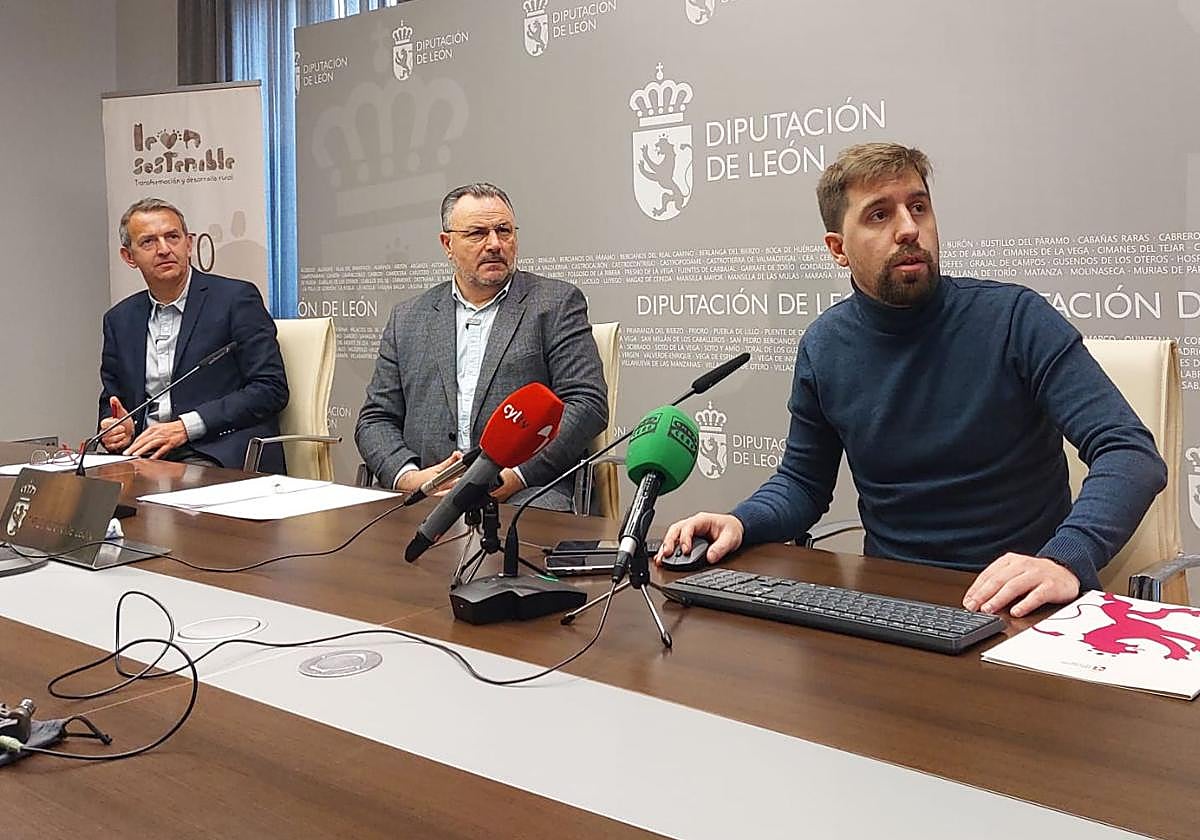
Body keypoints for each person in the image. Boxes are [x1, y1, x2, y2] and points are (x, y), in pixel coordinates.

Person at [658, 143, 1167, 618]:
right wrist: (741, 522)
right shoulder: (824, 346)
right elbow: (803, 483)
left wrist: (1064, 557)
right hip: (896, 602)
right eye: (880, 214)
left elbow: (1128, 451)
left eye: (918, 207)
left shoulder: (1015, 318)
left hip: (1021, 603)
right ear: (838, 248)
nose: (908, 229)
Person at [355, 182, 608, 510]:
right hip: (425, 494)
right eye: (477, 233)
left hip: (520, 495)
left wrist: (513, 475)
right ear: (447, 243)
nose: (494, 244)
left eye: (504, 231)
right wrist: (410, 477)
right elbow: (376, 418)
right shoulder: (408, 318)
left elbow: (587, 404)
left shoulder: (555, 304)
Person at [97, 198, 289, 472]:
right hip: (142, 455)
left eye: (172, 237)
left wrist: (185, 427)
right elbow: (112, 400)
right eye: (148, 242)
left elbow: (270, 389)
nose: (164, 249)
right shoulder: (119, 320)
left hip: (216, 450)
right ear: (129, 257)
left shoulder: (235, 300)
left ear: (188, 244)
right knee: (81, 493)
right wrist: (115, 427)